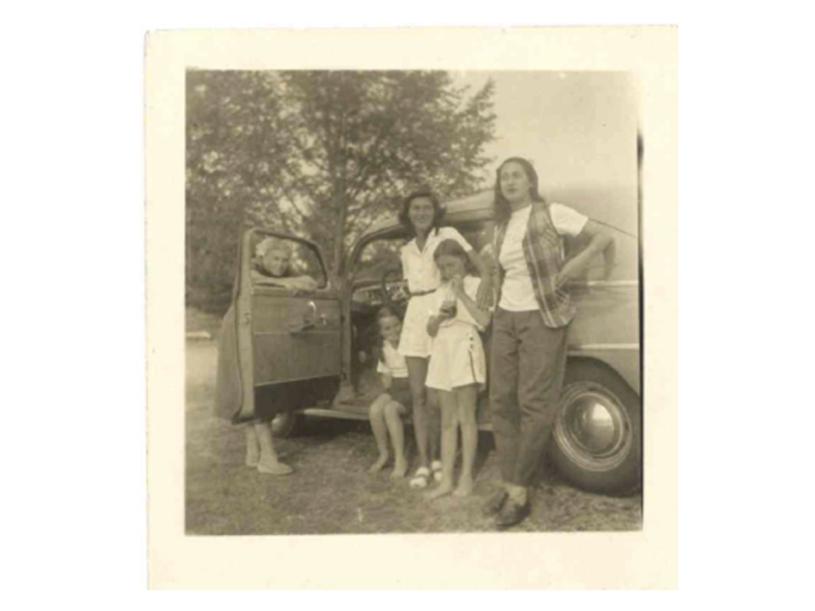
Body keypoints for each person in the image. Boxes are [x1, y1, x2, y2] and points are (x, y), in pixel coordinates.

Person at [486, 157, 614, 528]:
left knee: (534, 403)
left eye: (516, 176)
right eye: (503, 177)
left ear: (530, 182)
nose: (509, 182)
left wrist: (579, 262)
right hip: (506, 316)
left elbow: (603, 237)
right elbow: (496, 264)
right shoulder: (500, 226)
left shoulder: (552, 213)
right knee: (500, 401)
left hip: (543, 315)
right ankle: (511, 482)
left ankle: (520, 491)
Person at [397, 189, 493, 489]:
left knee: (448, 399)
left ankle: (446, 462)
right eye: (415, 208)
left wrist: (483, 287)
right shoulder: (406, 248)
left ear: (434, 211)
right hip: (421, 311)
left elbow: (478, 267)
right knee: (420, 394)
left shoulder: (449, 233)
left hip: (455, 313)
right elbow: (409, 285)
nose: (421, 213)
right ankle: (426, 463)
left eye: (427, 207)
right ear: (408, 213)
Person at [424, 240, 491, 499]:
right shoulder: (439, 291)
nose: (448, 271)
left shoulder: (478, 284)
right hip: (442, 349)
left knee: (466, 418)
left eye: (451, 264)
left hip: (465, 345)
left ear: (463, 260)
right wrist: (441, 315)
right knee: (447, 421)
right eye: (442, 267)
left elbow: (484, 320)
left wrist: (461, 293)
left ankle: (466, 479)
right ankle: (446, 481)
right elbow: (430, 329)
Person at [367, 308, 411, 478]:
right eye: (387, 329)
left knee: (390, 409)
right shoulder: (383, 349)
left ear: (403, 324)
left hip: (412, 386)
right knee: (375, 410)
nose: (393, 331)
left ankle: (400, 458)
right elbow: (387, 380)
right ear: (381, 332)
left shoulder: (410, 344)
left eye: (396, 325)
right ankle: (384, 453)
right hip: (396, 388)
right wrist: (386, 380)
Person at [251, 237, 318, 292]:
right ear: (264, 257)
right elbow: (251, 278)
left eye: (285, 260)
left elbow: (310, 282)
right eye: (276, 259)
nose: (280, 264)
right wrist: (284, 282)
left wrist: (295, 282)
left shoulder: (287, 268)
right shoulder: (255, 263)